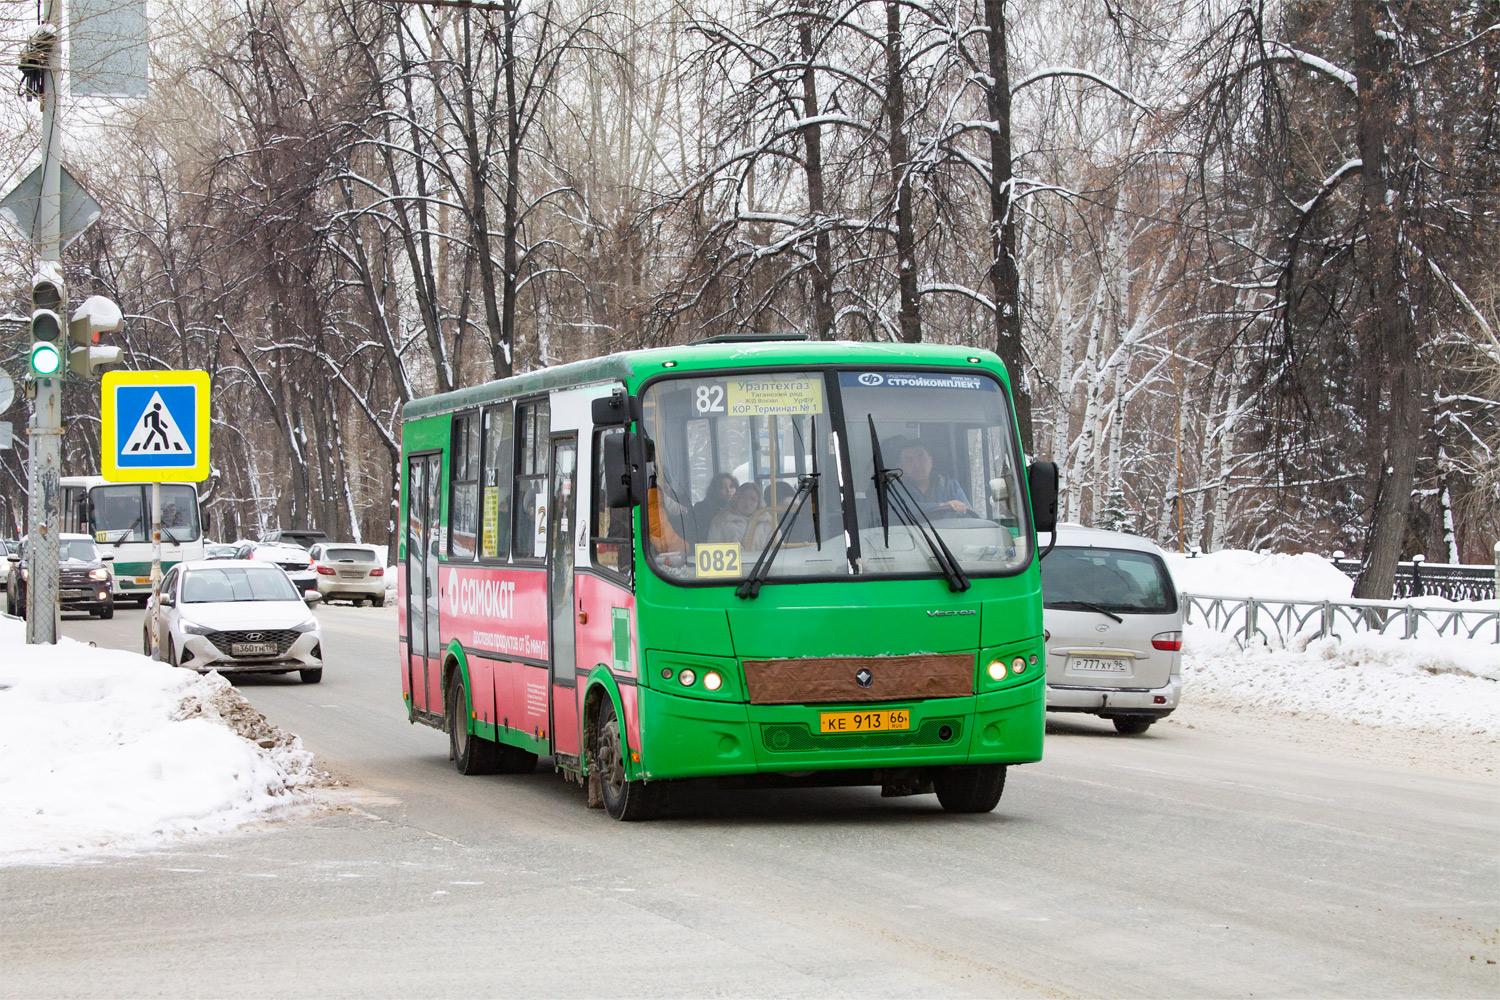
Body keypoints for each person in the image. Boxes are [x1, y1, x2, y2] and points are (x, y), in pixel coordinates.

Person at [895, 440, 970, 516]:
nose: (916, 465)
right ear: (900, 466)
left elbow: (969, 516)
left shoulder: (952, 487)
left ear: (930, 460)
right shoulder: (892, 489)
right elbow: (903, 510)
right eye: (909, 460)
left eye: (921, 458)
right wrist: (943, 506)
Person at [690, 473, 737, 541]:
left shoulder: (742, 509)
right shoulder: (702, 509)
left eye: (731, 486)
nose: (728, 490)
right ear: (714, 490)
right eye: (722, 487)